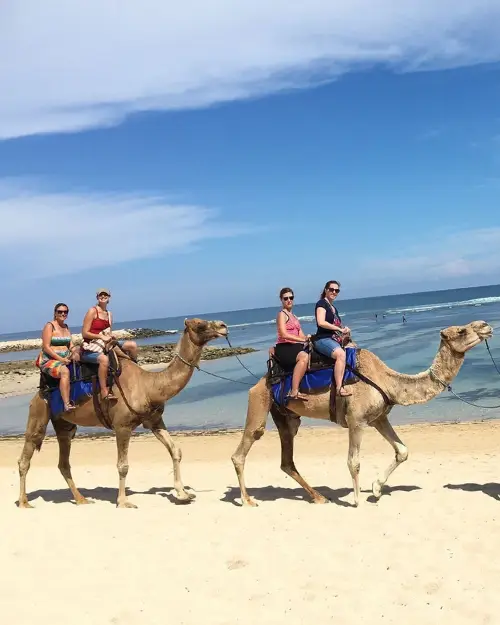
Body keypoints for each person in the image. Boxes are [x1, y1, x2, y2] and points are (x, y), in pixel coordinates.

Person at [81, 288, 137, 401]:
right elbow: (84, 333)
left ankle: (135, 372)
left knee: (132, 346)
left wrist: (110, 338)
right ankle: (104, 391)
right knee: (104, 360)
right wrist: (100, 336)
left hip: (106, 343)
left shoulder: (109, 314)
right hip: (91, 346)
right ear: (97, 297)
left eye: (105, 295)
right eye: (100, 295)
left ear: (109, 298)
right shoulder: (92, 311)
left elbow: (108, 332)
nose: (103, 297)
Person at [36, 303, 78, 412]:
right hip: (49, 360)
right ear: (55, 313)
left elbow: (70, 345)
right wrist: (61, 359)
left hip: (64, 358)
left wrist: (75, 351)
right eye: (60, 311)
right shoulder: (50, 326)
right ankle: (66, 403)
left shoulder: (66, 327)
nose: (63, 314)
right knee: (65, 372)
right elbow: (46, 347)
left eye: (65, 312)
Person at [313, 280, 352, 397]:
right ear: (326, 290)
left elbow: (337, 328)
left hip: (334, 339)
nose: (334, 292)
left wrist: (344, 331)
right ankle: (339, 388)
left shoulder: (334, 308)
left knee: (353, 349)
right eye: (331, 289)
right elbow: (321, 322)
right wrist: (339, 329)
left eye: (337, 290)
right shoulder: (321, 304)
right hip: (323, 339)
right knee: (341, 354)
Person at [274, 287, 310, 400]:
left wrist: (309, 338)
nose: (289, 300)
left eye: (291, 297)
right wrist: (301, 340)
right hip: (284, 347)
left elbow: (301, 335)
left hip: (294, 345)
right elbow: (283, 334)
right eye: (286, 298)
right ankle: (294, 391)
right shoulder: (282, 314)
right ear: (281, 300)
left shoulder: (294, 317)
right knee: (304, 357)